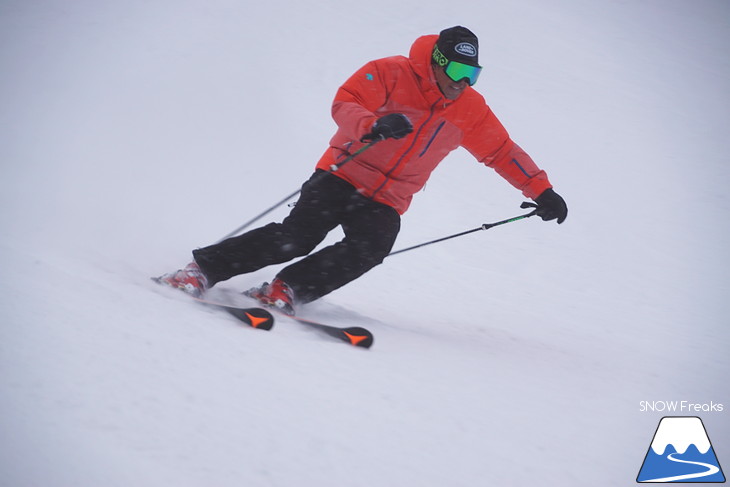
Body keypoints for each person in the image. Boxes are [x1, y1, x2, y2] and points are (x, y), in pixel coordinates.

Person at [157, 26, 568, 315]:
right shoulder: (391, 72)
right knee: (297, 236)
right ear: (438, 63)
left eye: (472, 75)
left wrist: (541, 190)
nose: (463, 83)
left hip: (387, 198)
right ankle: (201, 269)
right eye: (458, 73)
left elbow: (501, 150)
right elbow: (346, 100)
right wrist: (373, 125)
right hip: (344, 173)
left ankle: (286, 288)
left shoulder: (469, 110)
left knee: (373, 246)